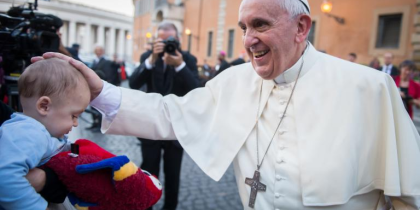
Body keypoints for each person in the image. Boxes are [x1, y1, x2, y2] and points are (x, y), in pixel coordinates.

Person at [35, 0, 420, 209]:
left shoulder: (369, 88)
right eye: (243, 28)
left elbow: (407, 195)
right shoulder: (236, 80)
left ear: (302, 27)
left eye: (261, 25)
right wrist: (101, 90)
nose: (248, 40)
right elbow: (172, 113)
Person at [0, 58, 90, 210]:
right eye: (73, 116)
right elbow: (6, 177)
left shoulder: (38, 132)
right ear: (44, 106)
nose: (75, 124)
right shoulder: (28, 134)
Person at [129, 21, 199, 210]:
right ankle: (147, 206)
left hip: (176, 128)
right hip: (150, 126)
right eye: (162, 39)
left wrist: (180, 66)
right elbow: (133, 83)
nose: (167, 42)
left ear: (178, 39)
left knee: (173, 174)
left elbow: (197, 90)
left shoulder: (188, 59)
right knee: (148, 173)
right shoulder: (149, 57)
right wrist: (151, 60)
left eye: (170, 39)